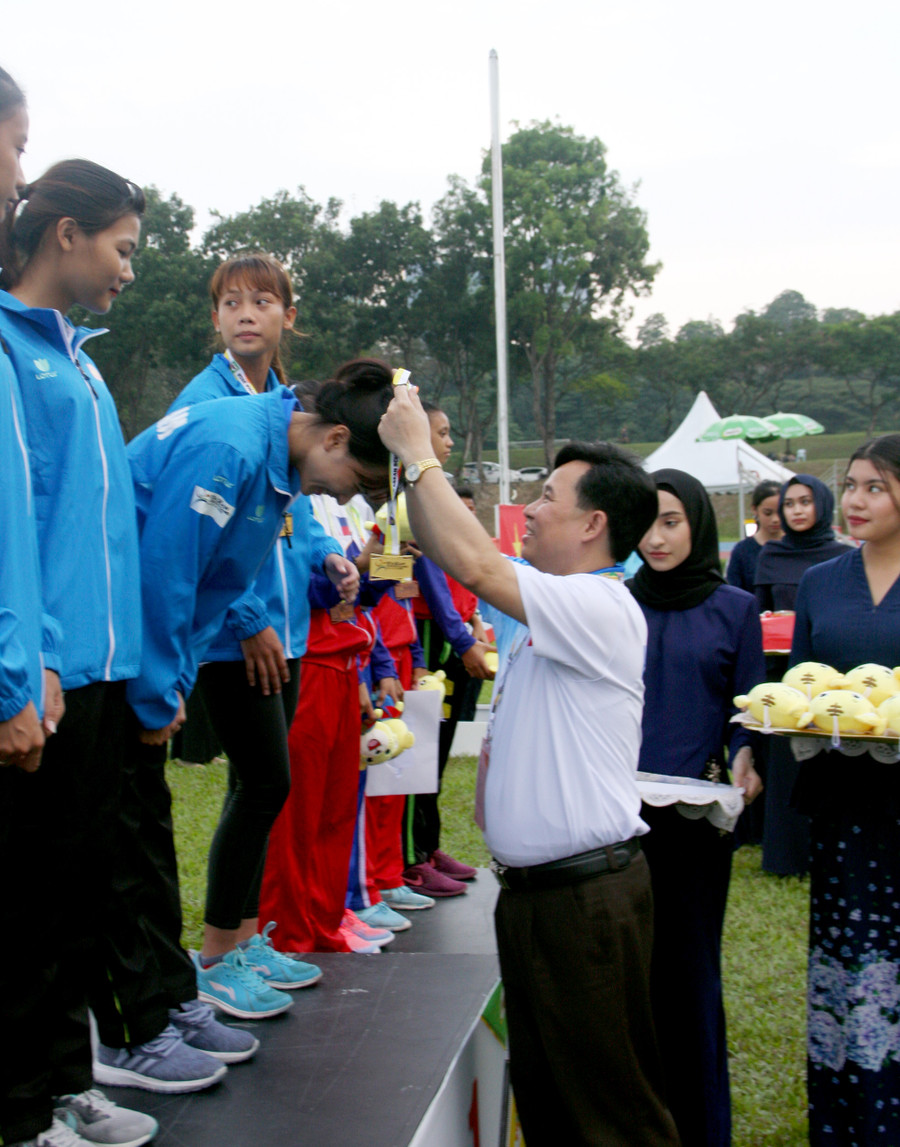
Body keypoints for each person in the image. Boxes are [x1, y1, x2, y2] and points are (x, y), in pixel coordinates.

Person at [378, 384, 679, 1147]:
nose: (532, 510)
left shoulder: (601, 607)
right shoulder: (554, 605)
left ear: (594, 523)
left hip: (586, 902)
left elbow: (476, 561)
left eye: (547, 496)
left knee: (610, 1114)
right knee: (550, 1102)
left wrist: (421, 452)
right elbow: (456, 554)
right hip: (543, 899)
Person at [0, 149, 217, 1136]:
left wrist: (128, 666)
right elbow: (14, 529)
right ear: (67, 235)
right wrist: (27, 665)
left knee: (79, 893)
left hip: (99, 674)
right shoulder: (9, 351)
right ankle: (23, 1103)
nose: (131, 269)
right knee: (30, 907)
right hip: (44, 676)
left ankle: (62, 1076)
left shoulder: (78, 362)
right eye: (123, 248)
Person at [161, 255, 346, 1007]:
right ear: (215, 319)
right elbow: (193, 534)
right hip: (232, 633)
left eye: (262, 301)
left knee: (263, 783)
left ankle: (245, 935)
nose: (246, 314)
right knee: (266, 778)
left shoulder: (286, 402)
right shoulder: (209, 402)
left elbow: (290, 517)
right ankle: (216, 953)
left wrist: (330, 556)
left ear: (286, 316)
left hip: (288, 629)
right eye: (231, 302)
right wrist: (247, 621)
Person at [629, 468, 764, 1147]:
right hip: (617, 824)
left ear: (699, 524)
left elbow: (748, 709)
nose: (657, 537)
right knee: (627, 979)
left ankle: (700, 1126)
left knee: (688, 977)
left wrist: (745, 753)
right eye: (647, 522)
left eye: (672, 521)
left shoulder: (734, 607)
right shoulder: (618, 602)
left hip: (696, 825)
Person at [789, 435, 900, 1145]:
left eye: (875, 487)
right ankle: (853, 1119)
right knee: (850, 956)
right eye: (851, 484)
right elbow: (796, 685)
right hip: (844, 805)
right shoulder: (822, 582)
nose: (854, 500)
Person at [755, 475, 847, 876]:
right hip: (782, 673)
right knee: (787, 767)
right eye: (789, 503)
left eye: (805, 502)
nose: (796, 510)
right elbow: (758, 613)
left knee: (833, 768)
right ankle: (786, 857)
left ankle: (830, 850)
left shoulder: (842, 556)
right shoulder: (770, 555)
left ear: (822, 505)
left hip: (831, 675)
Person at [726, 479, 783, 592]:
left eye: (780, 512)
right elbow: (734, 593)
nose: (775, 519)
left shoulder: (796, 546)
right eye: (768, 513)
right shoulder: (742, 551)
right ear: (755, 510)